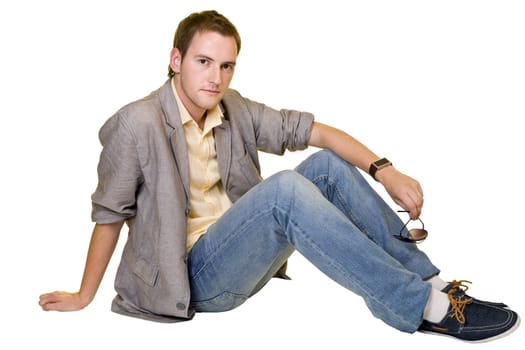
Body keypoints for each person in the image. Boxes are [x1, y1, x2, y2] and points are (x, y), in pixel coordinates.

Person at [39, 10, 519, 342]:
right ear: (175, 60)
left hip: (243, 256)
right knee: (285, 190)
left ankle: (432, 287)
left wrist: (384, 169)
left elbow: (315, 131)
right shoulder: (135, 124)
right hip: (192, 280)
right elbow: (109, 214)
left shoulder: (234, 107)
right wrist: (84, 295)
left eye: (226, 66)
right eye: (204, 62)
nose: (216, 77)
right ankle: (415, 307)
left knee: (327, 167)